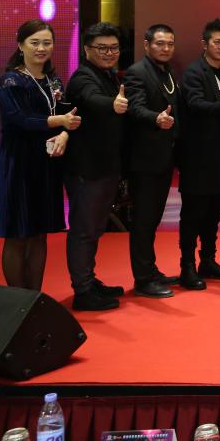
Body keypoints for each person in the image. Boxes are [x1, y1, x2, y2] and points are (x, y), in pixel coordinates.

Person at [0, 19, 78, 291]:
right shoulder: (10, 80)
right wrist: (58, 122)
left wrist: (65, 134)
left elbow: (69, 115)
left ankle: (33, 298)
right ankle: (16, 301)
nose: (41, 48)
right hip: (19, 163)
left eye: (47, 43)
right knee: (18, 234)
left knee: (40, 234)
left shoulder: (54, 79)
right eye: (34, 42)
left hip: (47, 164)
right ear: (20, 45)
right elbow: (18, 119)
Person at [63, 22, 127, 310]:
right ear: (87, 49)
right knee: (84, 229)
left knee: (96, 227)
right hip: (86, 168)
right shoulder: (82, 77)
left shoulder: (109, 75)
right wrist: (112, 104)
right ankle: (83, 290)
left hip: (105, 166)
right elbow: (92, 98)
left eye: (114, 48)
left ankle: (89, 280)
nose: (109, 53)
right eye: (102, 48)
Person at [177, 18, 220, 290]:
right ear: (205, 44)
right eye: (217, 42)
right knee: (193, 214)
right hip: (197, 156)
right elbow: (194, 104)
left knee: (214, 213)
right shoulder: (194, 72)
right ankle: (187, 267)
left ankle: (208, 260)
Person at [123, 23, 180, 298]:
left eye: (170, 43)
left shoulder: (167, 72)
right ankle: (143, 279)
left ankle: (150, 270)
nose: (165, 48)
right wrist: (156, 118)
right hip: (144, 160)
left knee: (153, 218)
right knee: (144, 220)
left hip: (163, 158)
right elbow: (135, 108)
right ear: (146, 45)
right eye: (160, 43)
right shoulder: (137, 72)